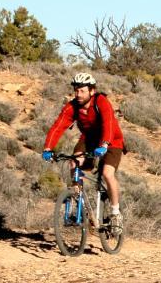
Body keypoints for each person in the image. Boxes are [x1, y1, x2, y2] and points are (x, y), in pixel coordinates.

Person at [42, 72, 126, 230]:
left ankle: (115, 213)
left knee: (108, 173)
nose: (78, 94)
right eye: (76, 90)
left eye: (82, 91)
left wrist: (105, 144)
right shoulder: (72, 107)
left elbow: (108, 124)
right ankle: (77, 200)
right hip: (89, 139)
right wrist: (48, 148)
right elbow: (58, 126)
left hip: (112, 140)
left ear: (91, 91)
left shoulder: (101, 102)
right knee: (74, 163)